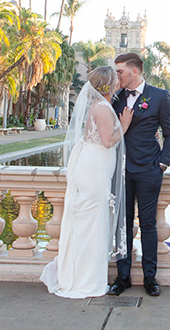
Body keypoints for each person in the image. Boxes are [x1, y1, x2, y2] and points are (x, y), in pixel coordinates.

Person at [41, 66, 130, 298]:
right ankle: (87, 280)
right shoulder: (102, 108)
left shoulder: (98, 106)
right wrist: (126, 125)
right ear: (109, 85)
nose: (119, 81)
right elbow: (107, 141)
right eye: (115, 78)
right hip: (94, 169)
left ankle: (84, 275)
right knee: (93, 222)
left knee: (90, 221)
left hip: (94, 165)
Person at [108, 52, 170, 298]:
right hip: (121, 171)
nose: (117, 76)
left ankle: (150, 278)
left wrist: (162, 164)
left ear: (134, 71)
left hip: (149, 171)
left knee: (148, 225)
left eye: (120, 71)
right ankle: (123, 276)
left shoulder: (160, 97)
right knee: (122, 225)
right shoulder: (115, 98)